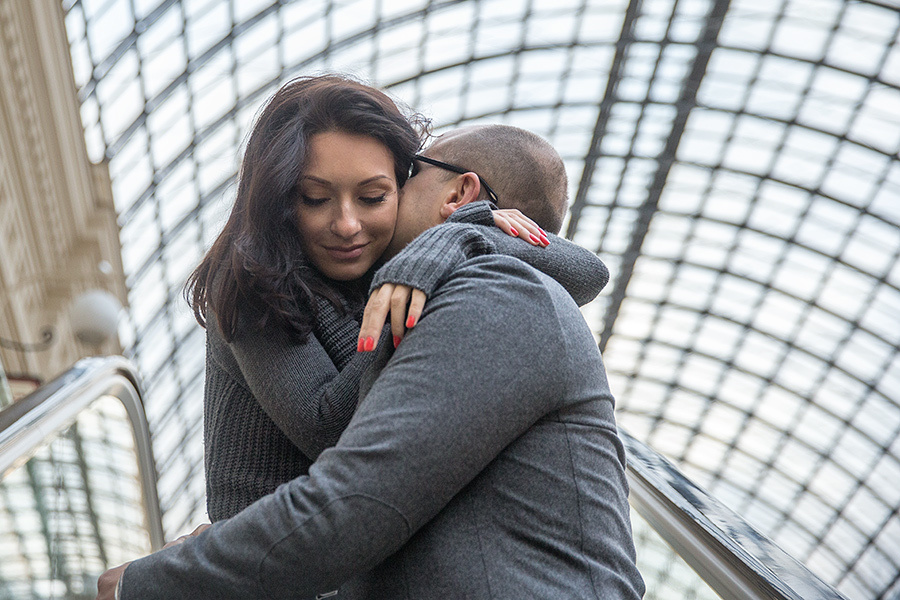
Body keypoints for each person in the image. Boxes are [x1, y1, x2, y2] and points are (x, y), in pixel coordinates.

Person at [97, 124, 644, 599]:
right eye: (314, 198)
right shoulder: (472, 288)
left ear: (459, 192)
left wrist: (144, 584)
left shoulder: (499, 293)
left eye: (406, 177)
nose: (354, 221)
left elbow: (357, 500)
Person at [187, 75, 611, 523]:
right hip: (270, 561)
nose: (347, 224)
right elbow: (330, 429)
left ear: (402, 184)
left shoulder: (409, 258)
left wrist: (459, 236)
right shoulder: (249, 280)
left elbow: (587, 272)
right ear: (278, 199)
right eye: (314, 199)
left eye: (373, 197)